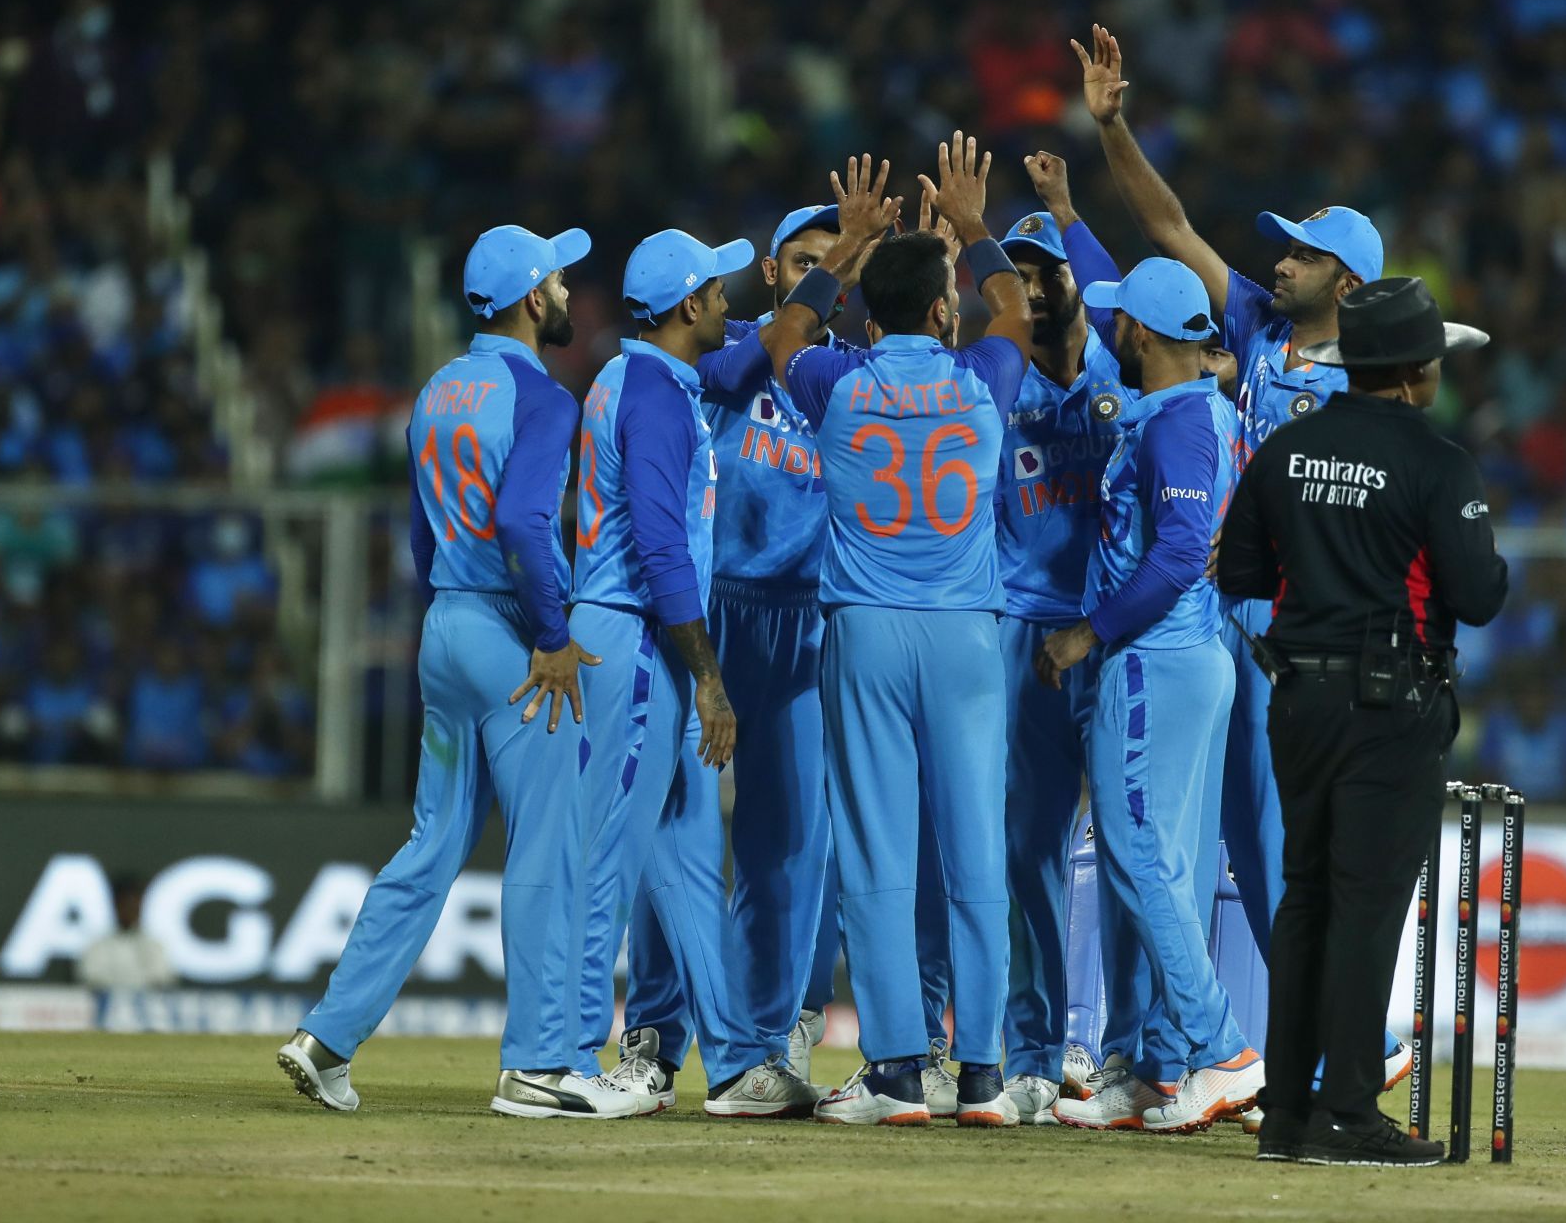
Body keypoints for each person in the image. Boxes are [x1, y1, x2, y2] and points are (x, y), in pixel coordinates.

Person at [1075, 22, 1412, 1096]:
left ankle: (1358, 1038)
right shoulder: (1259, 330)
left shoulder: (1376, 380)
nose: (1280, 260)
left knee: (1279, 853)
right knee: (1210, 841)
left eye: (1304, 254)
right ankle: (1190, 1050)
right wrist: (1115, 129)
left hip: (1295, 632)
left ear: (1348, 285)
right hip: (1223, 615)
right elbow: (1169, 224)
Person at [279, 224, 627, 1119]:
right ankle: (542, 1063)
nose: (565, 294)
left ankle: (326, 1037)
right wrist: (551, 633)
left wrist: (456, 605)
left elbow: (420, 533)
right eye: (555, 280)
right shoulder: (545, 397)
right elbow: (522, 525)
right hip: (511, 633)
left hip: (444, 624)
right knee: (547, 843)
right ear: (527, 297)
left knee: (431, 845)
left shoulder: (436, 390)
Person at [761, 136, 1032, 1127]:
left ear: (869, 314)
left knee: (877, 850)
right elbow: (1014, 311)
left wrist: (847, 250)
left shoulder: (837, 380)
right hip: (965, 631)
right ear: (944, 309)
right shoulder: (983, 377)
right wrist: (971, 224)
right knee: (974, 850)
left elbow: (781, 341)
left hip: (868, 627)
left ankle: (893, 1073)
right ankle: (986, 1073)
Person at [1216, 276, 1507, 1166]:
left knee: (1305, 899)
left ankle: (1289, 1115)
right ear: (1420, 371)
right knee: (1367, 908)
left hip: (1297, 699)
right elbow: (1479, 596)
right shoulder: (1437, 462)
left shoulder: (1289, 449)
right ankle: (1346, 1110)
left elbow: (1241, 574)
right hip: (1391, 706)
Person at [568, 225, 814, 1118]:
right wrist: (707, 677)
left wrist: (840, 264)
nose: (726, 299)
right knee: (614, 861)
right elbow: (664, 551)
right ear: (685, 308)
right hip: (639, 642)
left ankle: (742, 1062)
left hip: (636, 641)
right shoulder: (660, 401)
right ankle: (560, 1056)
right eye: (714, 289)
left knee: (679, 859)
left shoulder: (649, 379)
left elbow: (761, 358)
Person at [1034, 258, 1263, 1135]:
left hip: (1153, 660)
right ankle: (1155, 1067)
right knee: (1163, 866)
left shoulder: (1178, 425)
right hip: (1188, 656)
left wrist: (1087, 632)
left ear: (1144, 333)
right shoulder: (1198, 408)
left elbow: (1174, 556)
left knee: (1136, 856)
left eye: (1121, 320)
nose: (1111, 330)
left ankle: (1222, 1051)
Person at [991, 154, 1134, 1125]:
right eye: (1022, 276)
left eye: (1051, 272)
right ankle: (1037, 1053)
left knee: (1130, 847)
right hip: (1022, 633)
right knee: (1029, 847)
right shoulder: (990, 387)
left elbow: (1131, 295)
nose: (1039, 290)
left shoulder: (1128, 370)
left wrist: (1068, 214)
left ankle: (1128, 1054)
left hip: (1115, 634)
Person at [77, 875, 175, 992]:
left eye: (135, 904)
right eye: (126, 903)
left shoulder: (155, 945)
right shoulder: (97, 945)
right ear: (115, 904)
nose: (130, 909)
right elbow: (91, 977)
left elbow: (162, 977)